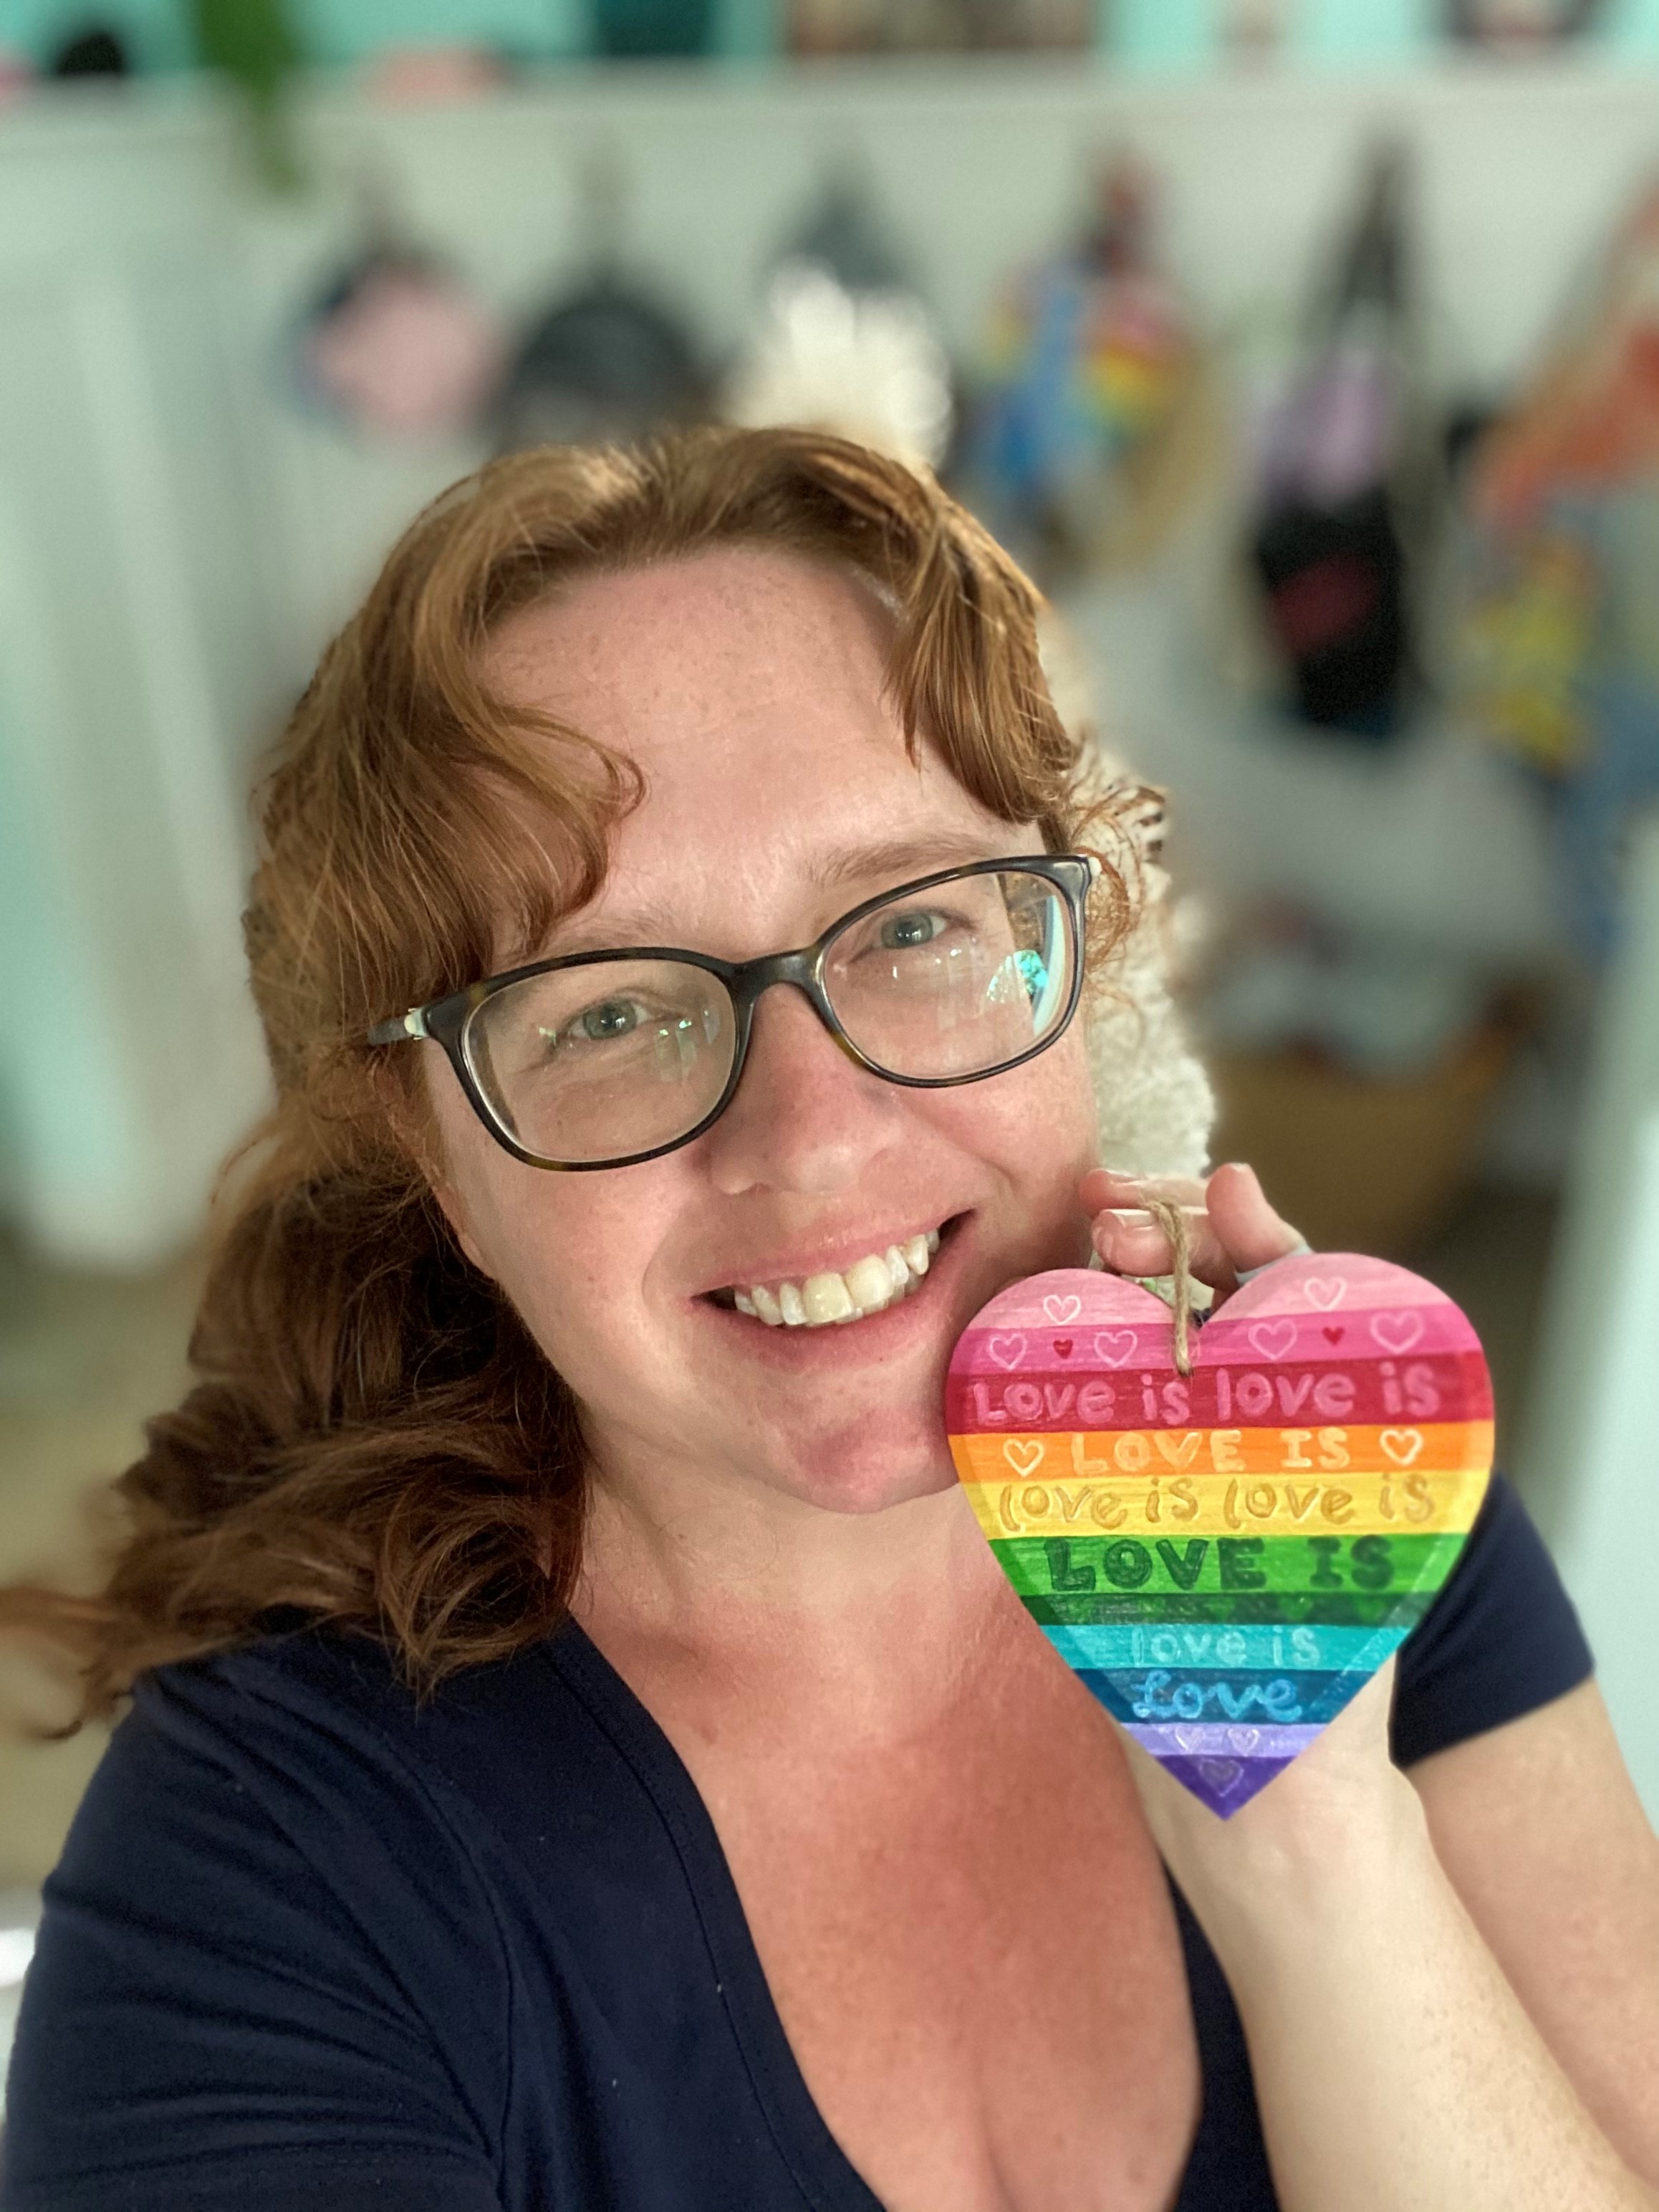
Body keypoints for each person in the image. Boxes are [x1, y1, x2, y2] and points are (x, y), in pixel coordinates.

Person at [3, 428, 1657, 2212]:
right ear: (438, 1163)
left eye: (913, 923)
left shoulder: (1326, 1503)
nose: (811, 1136)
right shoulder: (271, 1888)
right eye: (608, 1012)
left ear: (1077, 954)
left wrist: (1315, 1839)